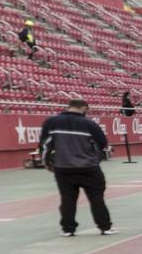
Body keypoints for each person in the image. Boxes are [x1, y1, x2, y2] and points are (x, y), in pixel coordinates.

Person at [38, 97, 114, 236]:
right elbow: (102, 144)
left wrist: (47, 162)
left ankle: (68, 229)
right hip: (89, 167)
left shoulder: (52, 122)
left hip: (63, 167)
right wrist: (96, 159)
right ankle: (105, 227)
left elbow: (44, 144)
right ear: (84, 108)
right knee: (96, 198)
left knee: (67, 199)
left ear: (69, 106)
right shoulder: (89, 124)